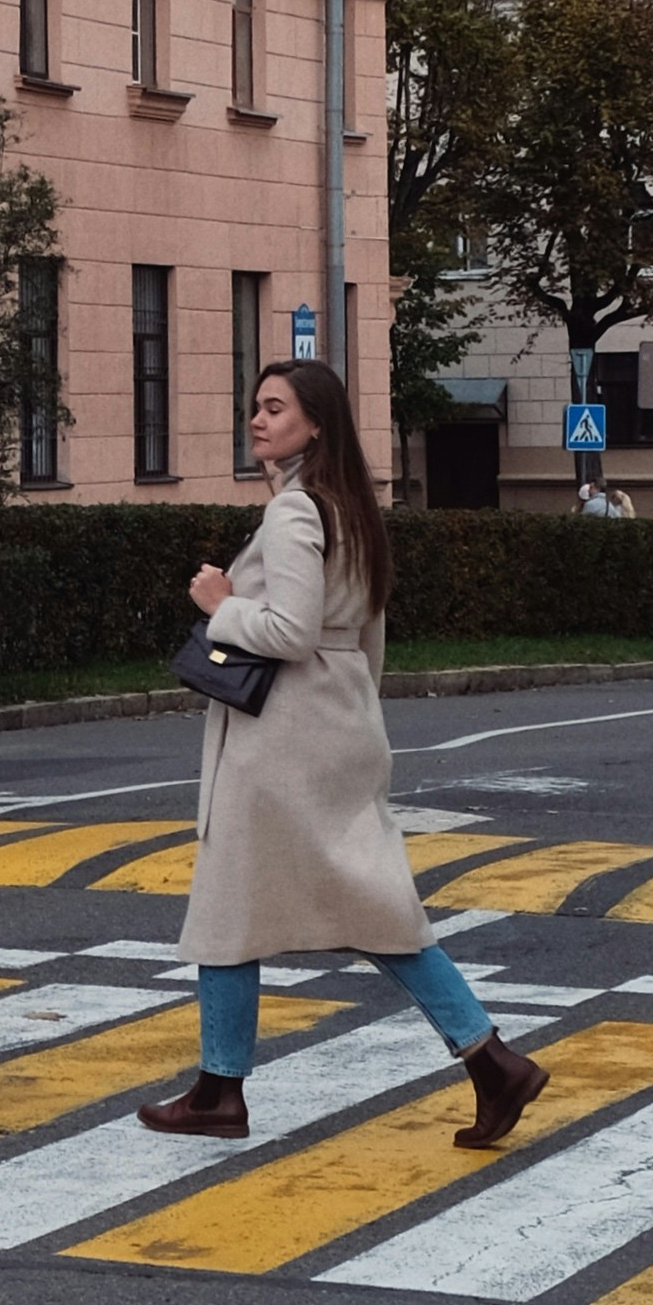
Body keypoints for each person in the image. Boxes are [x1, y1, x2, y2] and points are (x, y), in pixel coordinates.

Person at [136, 356, 550, 1148]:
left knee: (233, 904)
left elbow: (288, 633)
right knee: (372, 905)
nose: (258, 420)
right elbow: (368, 639)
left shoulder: (295, 512)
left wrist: (221, 608)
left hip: (278, 739)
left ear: (315, 424)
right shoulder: (352, 509)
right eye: (255, 407)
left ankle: (222, 1092)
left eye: (275, 409)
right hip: (339, 723)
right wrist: (356, 716)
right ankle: (489, 1060)